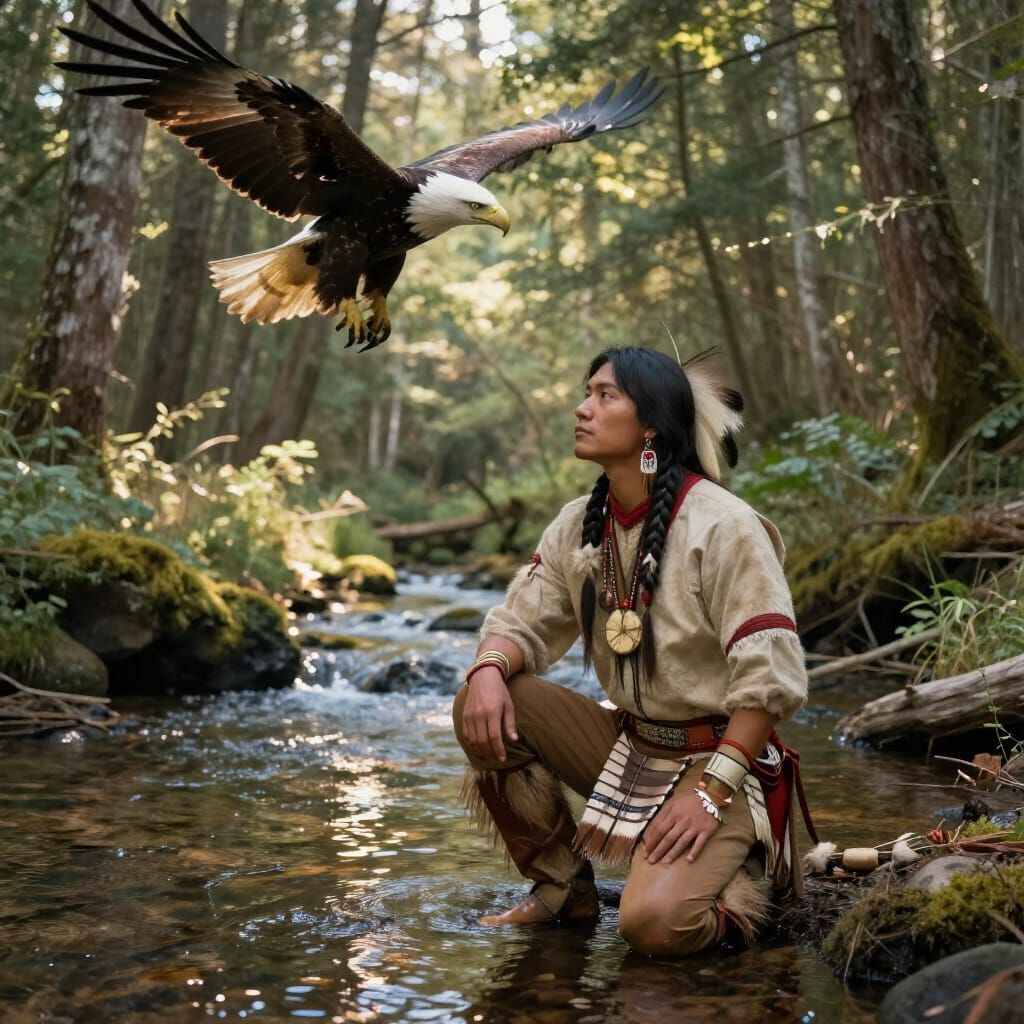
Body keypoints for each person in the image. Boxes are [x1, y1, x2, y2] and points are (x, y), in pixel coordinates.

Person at [452, 346, 811, 958]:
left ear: (650, 426)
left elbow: (769, 679)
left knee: (651, 926)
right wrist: (487, 669)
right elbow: (521, 622)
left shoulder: (724, 525)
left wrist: (709, 794)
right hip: (631, 745)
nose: (582, 408)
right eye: (586, 393)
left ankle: (745, 883)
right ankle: (562, 890)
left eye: (604, 395)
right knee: (481, 698)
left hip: (722, 759)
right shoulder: (579, 523)